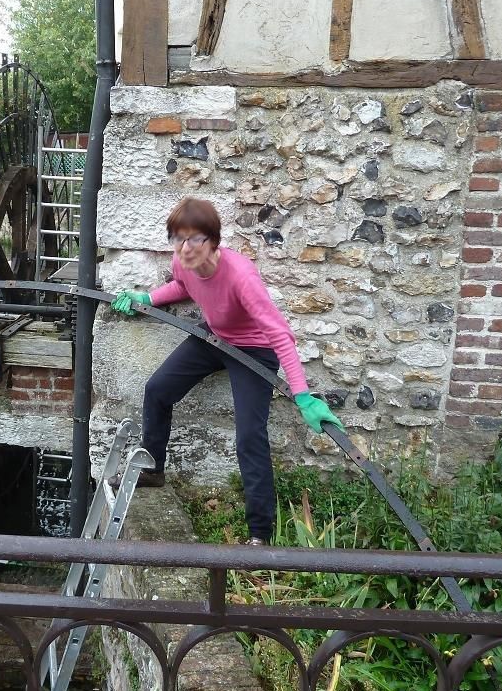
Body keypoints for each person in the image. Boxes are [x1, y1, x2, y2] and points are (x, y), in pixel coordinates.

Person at [109, 197, 343, 546]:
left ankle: (259, 535)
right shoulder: (183, 260)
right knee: (157, 389)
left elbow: (280, 334)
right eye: (178, 239)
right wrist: (147, 298)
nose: (185, 248)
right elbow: (182, 287)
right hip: (214, 339)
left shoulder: (240, 275)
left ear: (213, 240)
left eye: (195, 239)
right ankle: (154, 468)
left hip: (254, 350)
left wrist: (303, 395)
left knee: (249, 436)